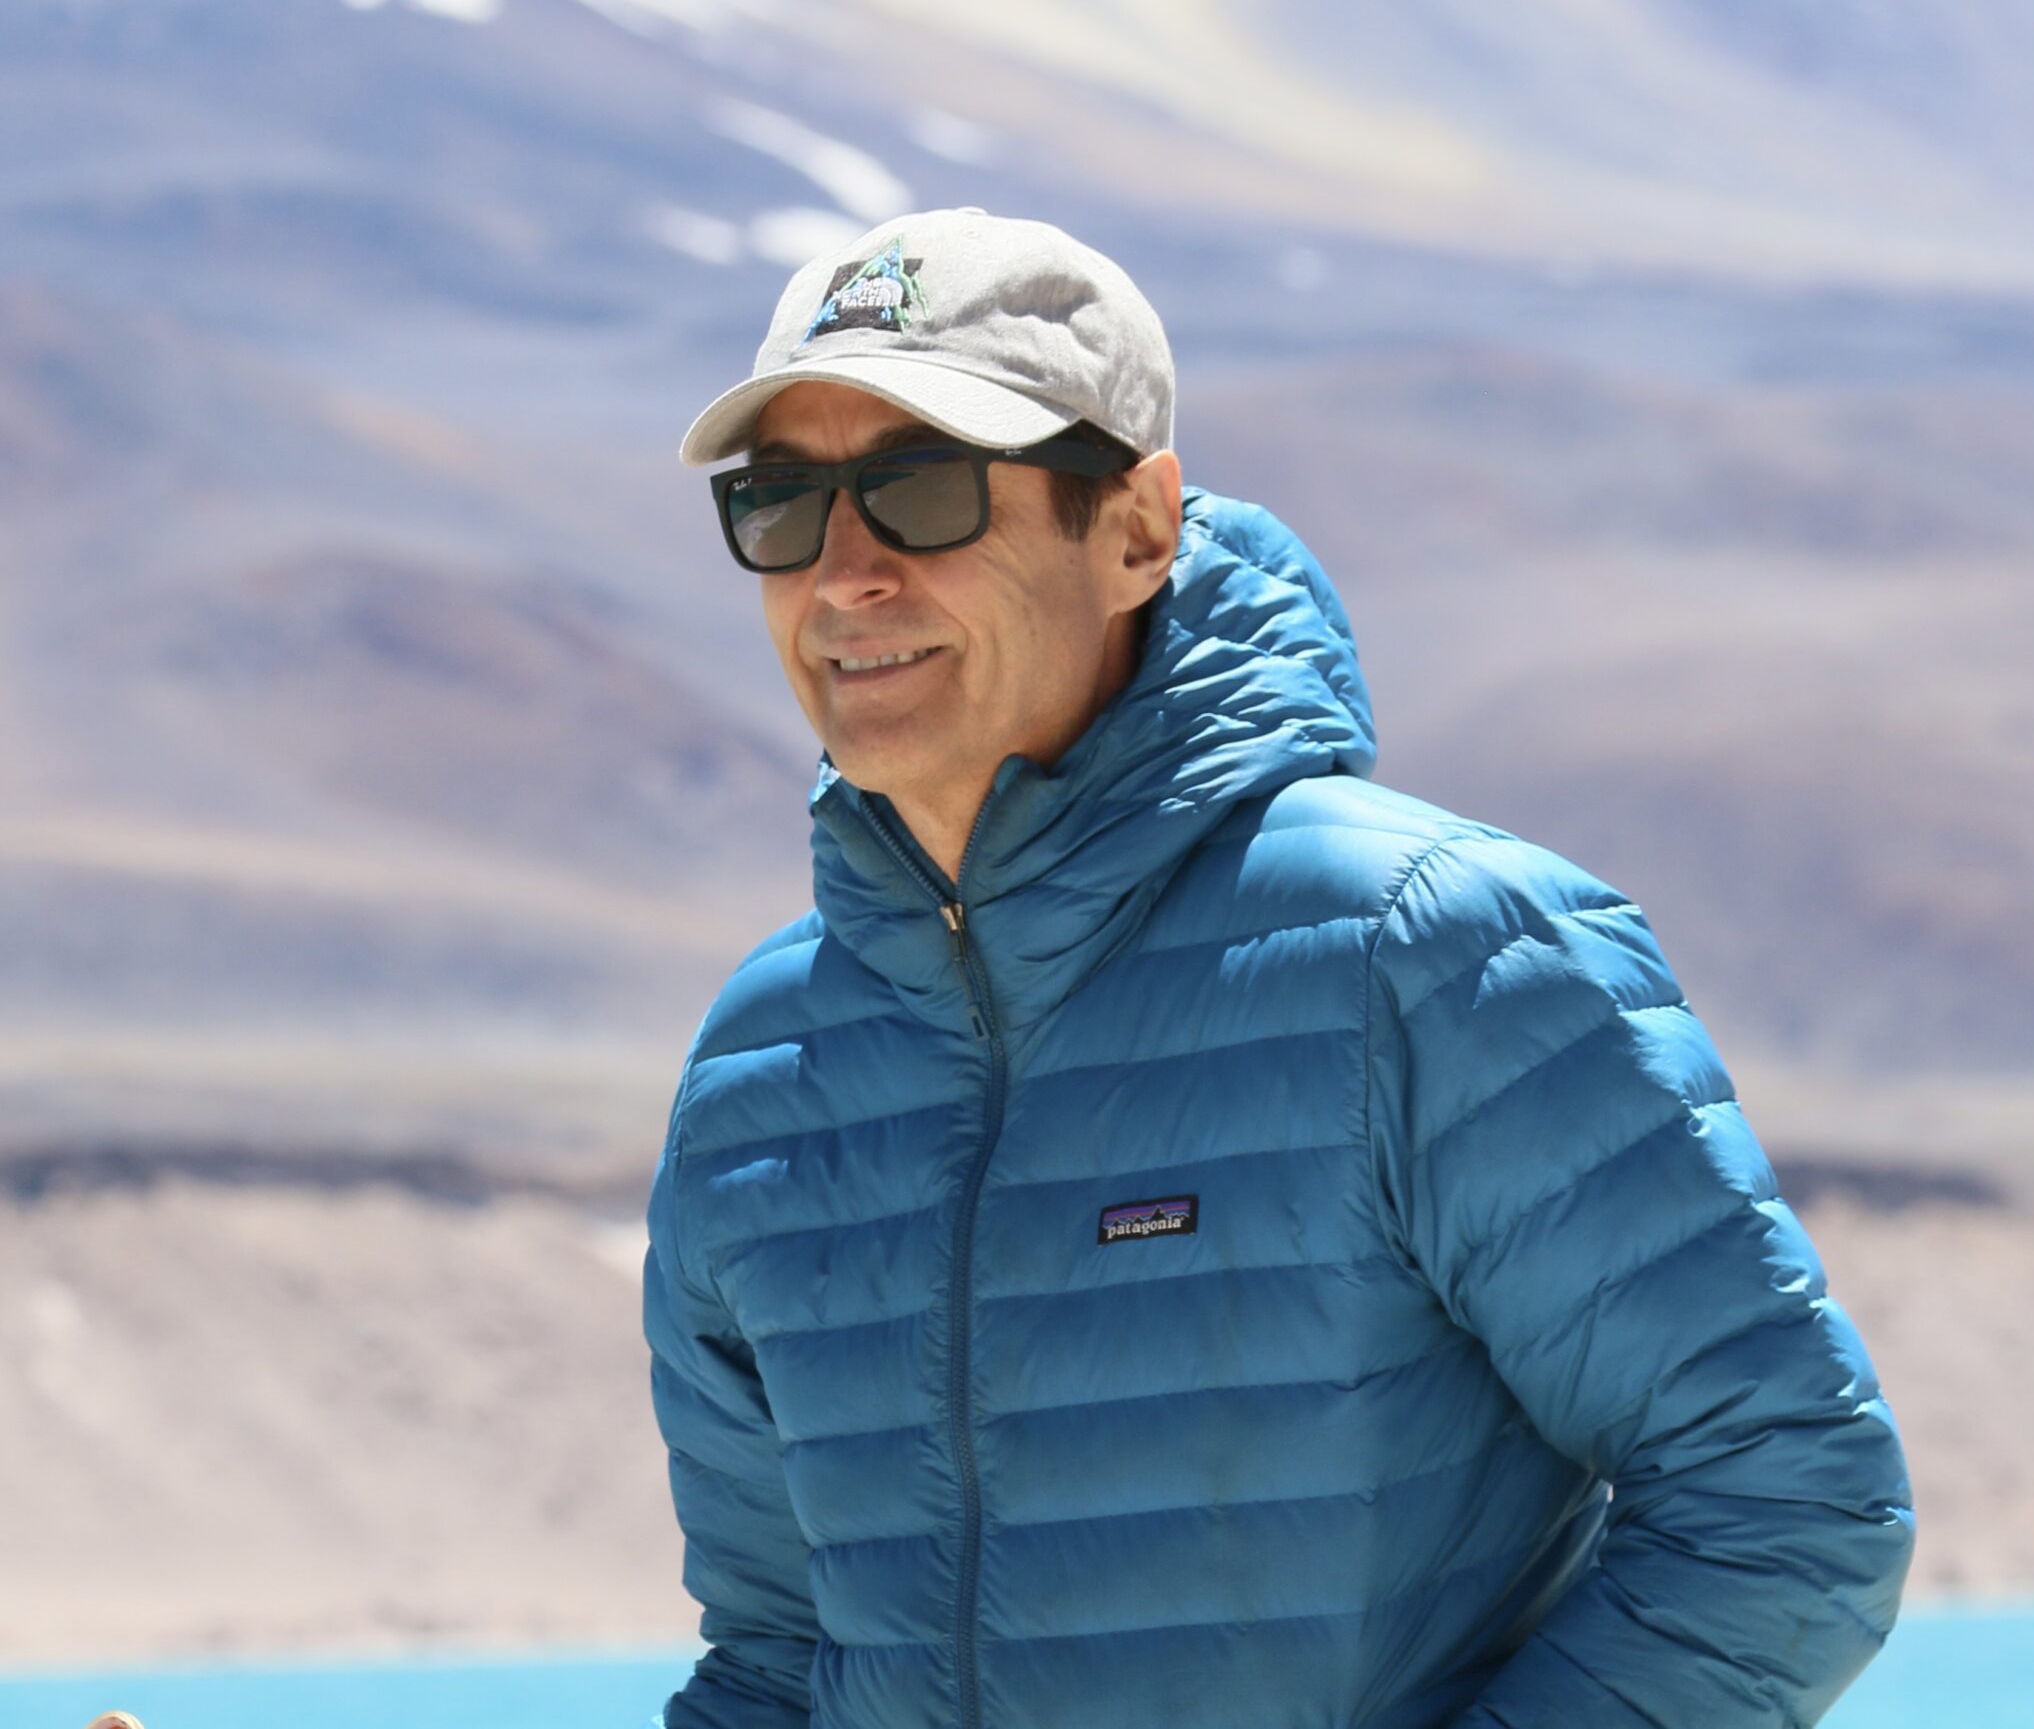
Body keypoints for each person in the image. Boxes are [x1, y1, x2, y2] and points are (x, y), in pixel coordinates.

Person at [645, 208, 1913, 1729]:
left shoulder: (1431, 954)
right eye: (781, 508)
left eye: (921, 493)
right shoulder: (760, 1073)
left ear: (1135, 528)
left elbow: (1788, 1498)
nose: (843, 576)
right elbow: (783, 1659)